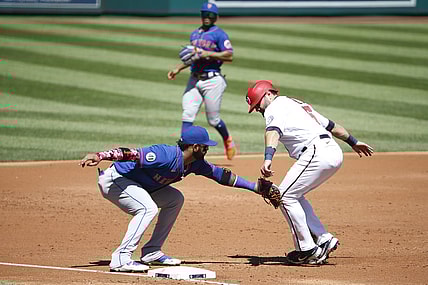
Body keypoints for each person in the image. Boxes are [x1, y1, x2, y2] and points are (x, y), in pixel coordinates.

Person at [79, 126, 260, 272]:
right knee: (147, 208)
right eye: (205, 146)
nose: (207, 149)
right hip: (115, 180)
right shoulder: (164, 155)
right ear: (195, 147)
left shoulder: (195, 164)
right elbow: (129, 153)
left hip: (138, 185)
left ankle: (151, 252)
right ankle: (121, 258)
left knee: (175, 199)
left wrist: (255, 187)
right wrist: (99, 156)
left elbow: (221, 175)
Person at [245, 80, 374, 265]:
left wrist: (268, 158)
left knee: (283, 196)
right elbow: (330, 125)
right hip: (333, 152)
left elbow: (272, 132)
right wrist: (353, 141)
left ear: (267, 94)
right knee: (295, 196)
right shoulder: (297, 104)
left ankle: (307, 249)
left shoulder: (275, 107)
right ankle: (323, 239)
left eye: (257, 104)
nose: (257, 109)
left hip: (316, 152)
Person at [167, 2, 237, 160]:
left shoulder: (219, 34)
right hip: (194, 79)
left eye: (210, 15)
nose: (207, 17)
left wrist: (208, 53)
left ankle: (227, 139)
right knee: (187, 114)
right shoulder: (195, 34)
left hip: (213, 81)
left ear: (216, 17)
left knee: (213, 120)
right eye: (204, 14)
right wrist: (178, 68)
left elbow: (229, 55)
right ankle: (182, 153)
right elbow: (194, 57)